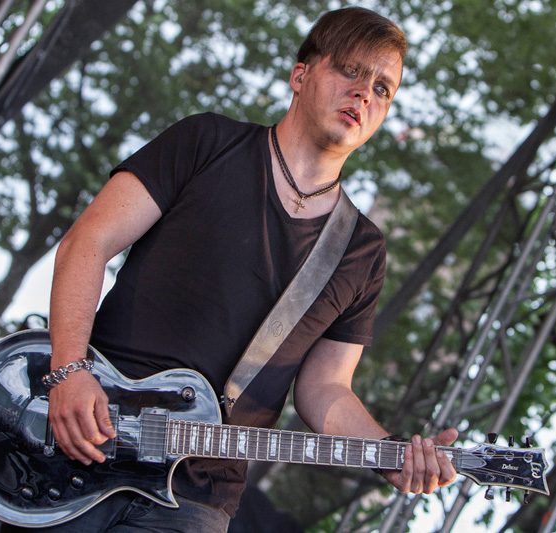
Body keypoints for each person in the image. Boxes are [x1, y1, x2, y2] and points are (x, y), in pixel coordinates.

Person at [23, 7, 457, 532]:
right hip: (84, 436)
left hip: (195, 497)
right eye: (351, 70)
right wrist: (68, 371)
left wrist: (387, 452)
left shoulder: (361, 250)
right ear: (300, 75)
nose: (365, 93)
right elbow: (87, 243)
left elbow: (325, 388)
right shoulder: (207, 142)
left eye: (383, 89)